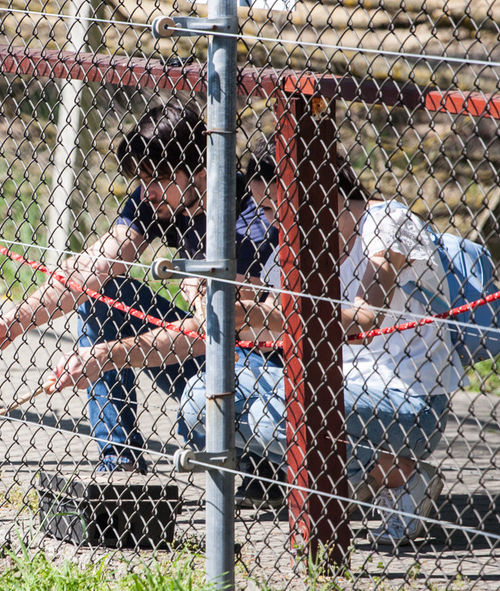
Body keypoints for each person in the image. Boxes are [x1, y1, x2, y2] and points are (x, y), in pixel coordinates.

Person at [0, 100, 276, 473]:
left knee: (200, 340)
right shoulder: (158, 199)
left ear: (200, 172)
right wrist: (14, 323)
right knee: (102, 295)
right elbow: (93, 270)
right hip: (200, 346)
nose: (146, 192)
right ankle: (119, 462)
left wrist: (110, 353)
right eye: (141, 180)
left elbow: (229, 327)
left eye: (157, 178)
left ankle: (259, 461)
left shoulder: (250, 215)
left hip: (254, 370)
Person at [182, 145, 462, 547]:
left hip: (407, 399)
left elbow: (366, 317)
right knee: (198, 400)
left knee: (273, 412)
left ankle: (394, 475)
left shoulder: (387, 222)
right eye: (263, 210)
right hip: (327, 389)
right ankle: (359, 478)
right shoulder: (289, 251)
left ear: (320, 191)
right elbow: (244, 324)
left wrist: (260, 316)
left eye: (278, 207)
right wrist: (110, 354)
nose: (273, 220)